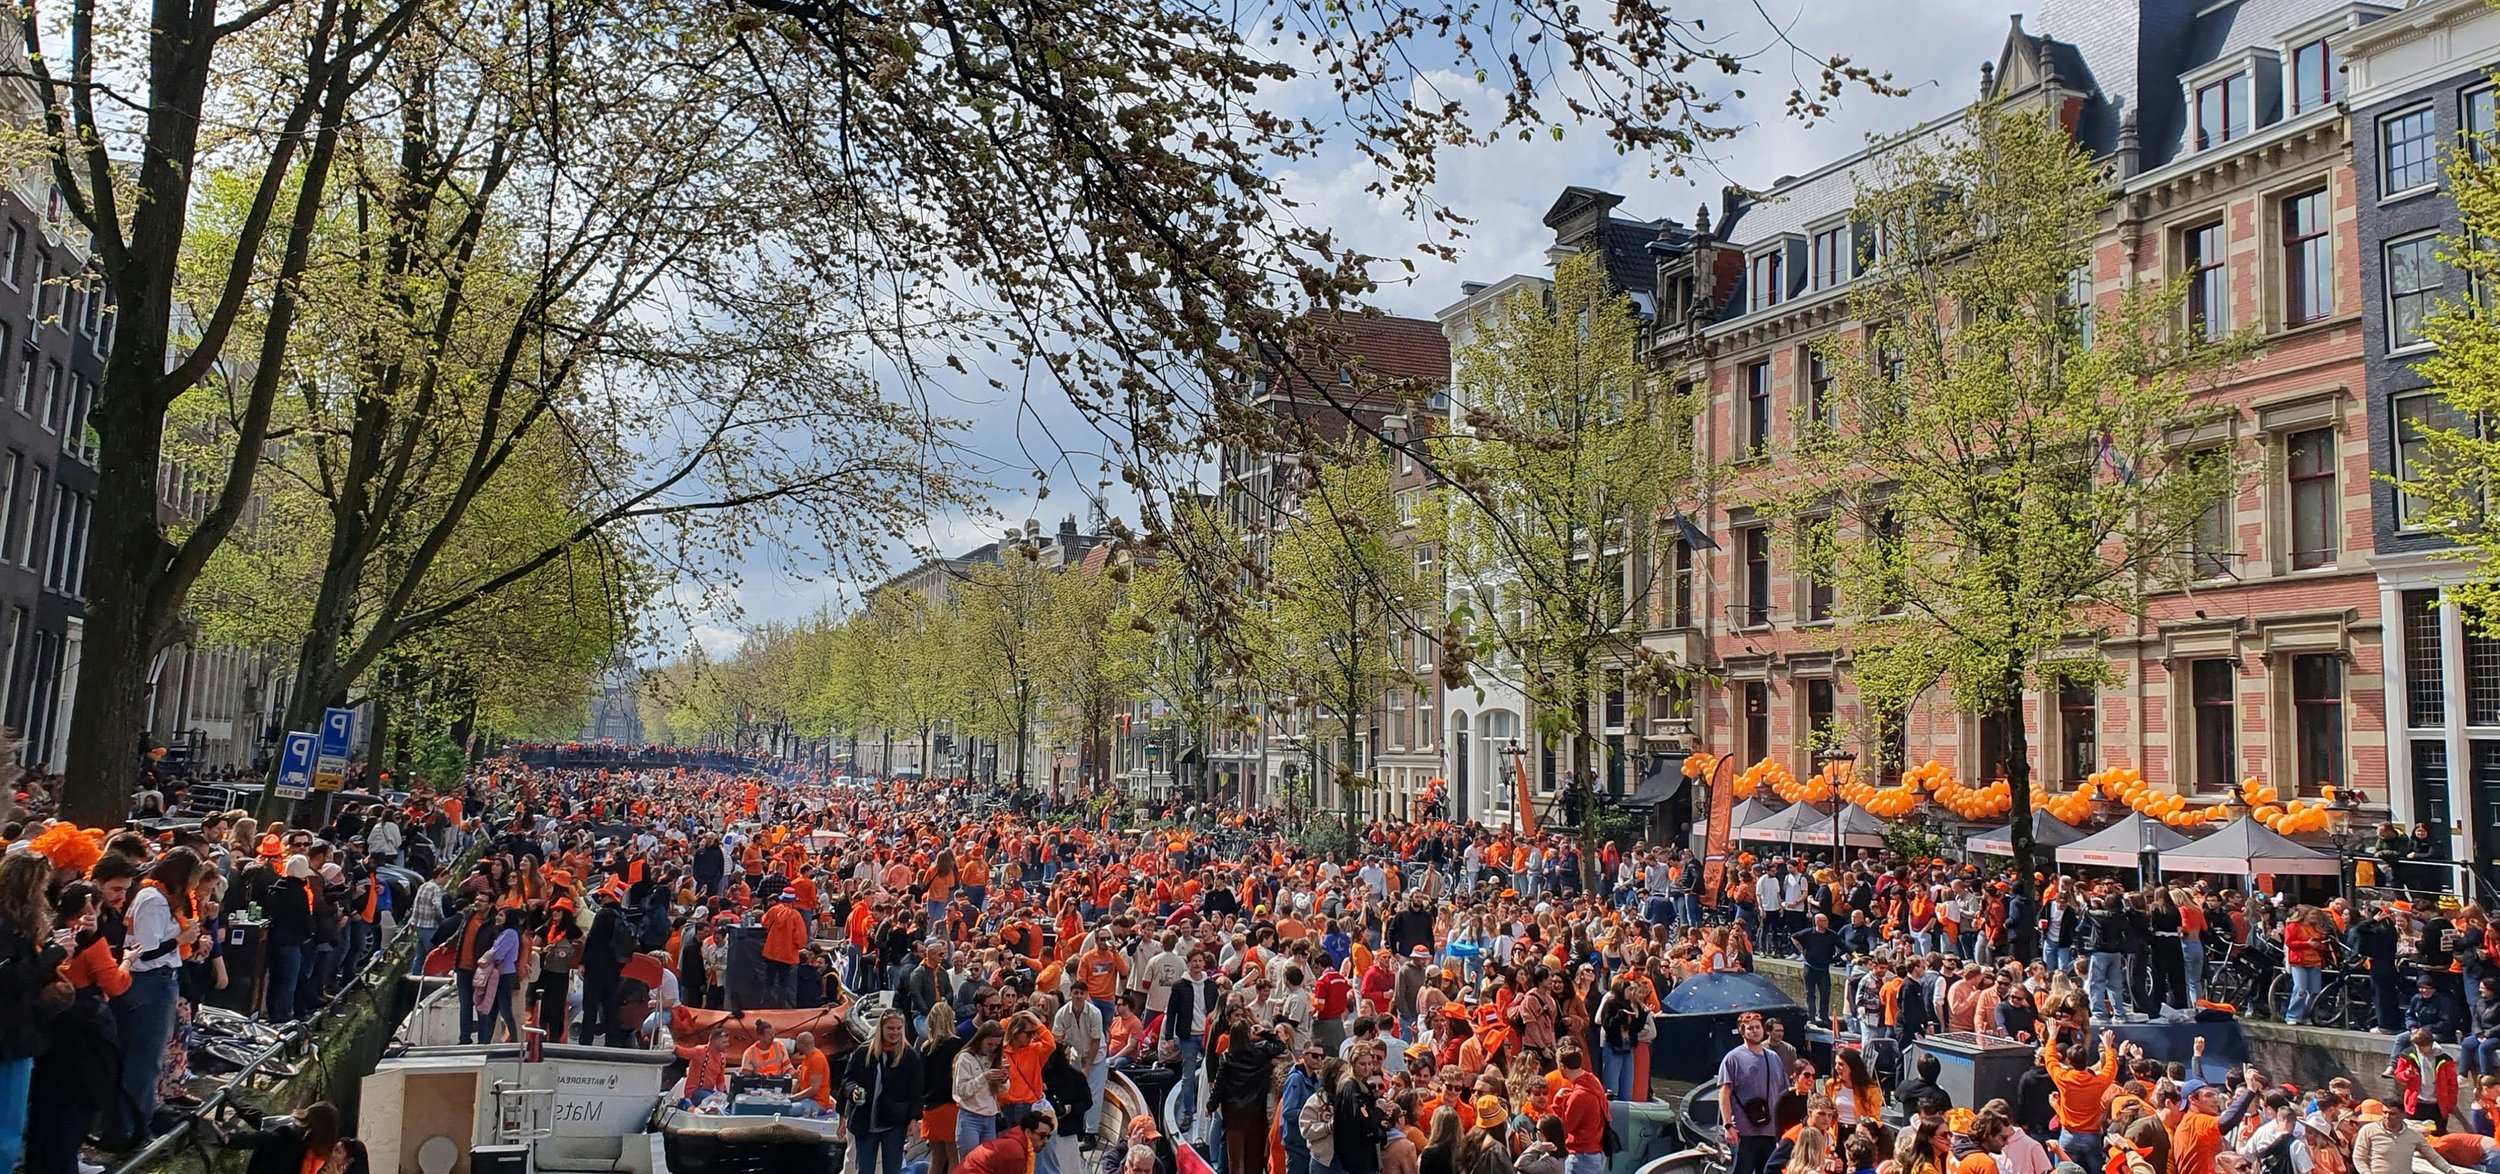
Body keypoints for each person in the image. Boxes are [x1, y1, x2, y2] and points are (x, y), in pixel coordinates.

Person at [962, 1107, 1058, 1174]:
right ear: (1028, 1132)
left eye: (1048, 1137)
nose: (1045, 1141)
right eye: (1042, 1135)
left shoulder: (1017, 1141)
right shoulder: (1015, 1151)